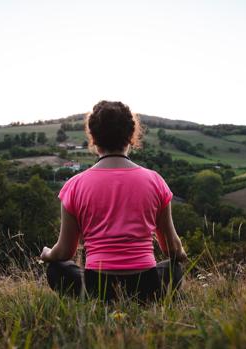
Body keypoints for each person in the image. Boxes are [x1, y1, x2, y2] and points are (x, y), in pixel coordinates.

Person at [40, 100, 187, 303]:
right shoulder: (155, 181)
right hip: (148, 288)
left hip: (97, 288)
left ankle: (96, 301)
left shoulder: (74, 185)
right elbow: (172, 248)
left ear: (93, 137)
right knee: (174, 268)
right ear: (131, 136)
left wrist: (47, 254)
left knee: (56, 268)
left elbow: (64, 252)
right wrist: (180, 254)